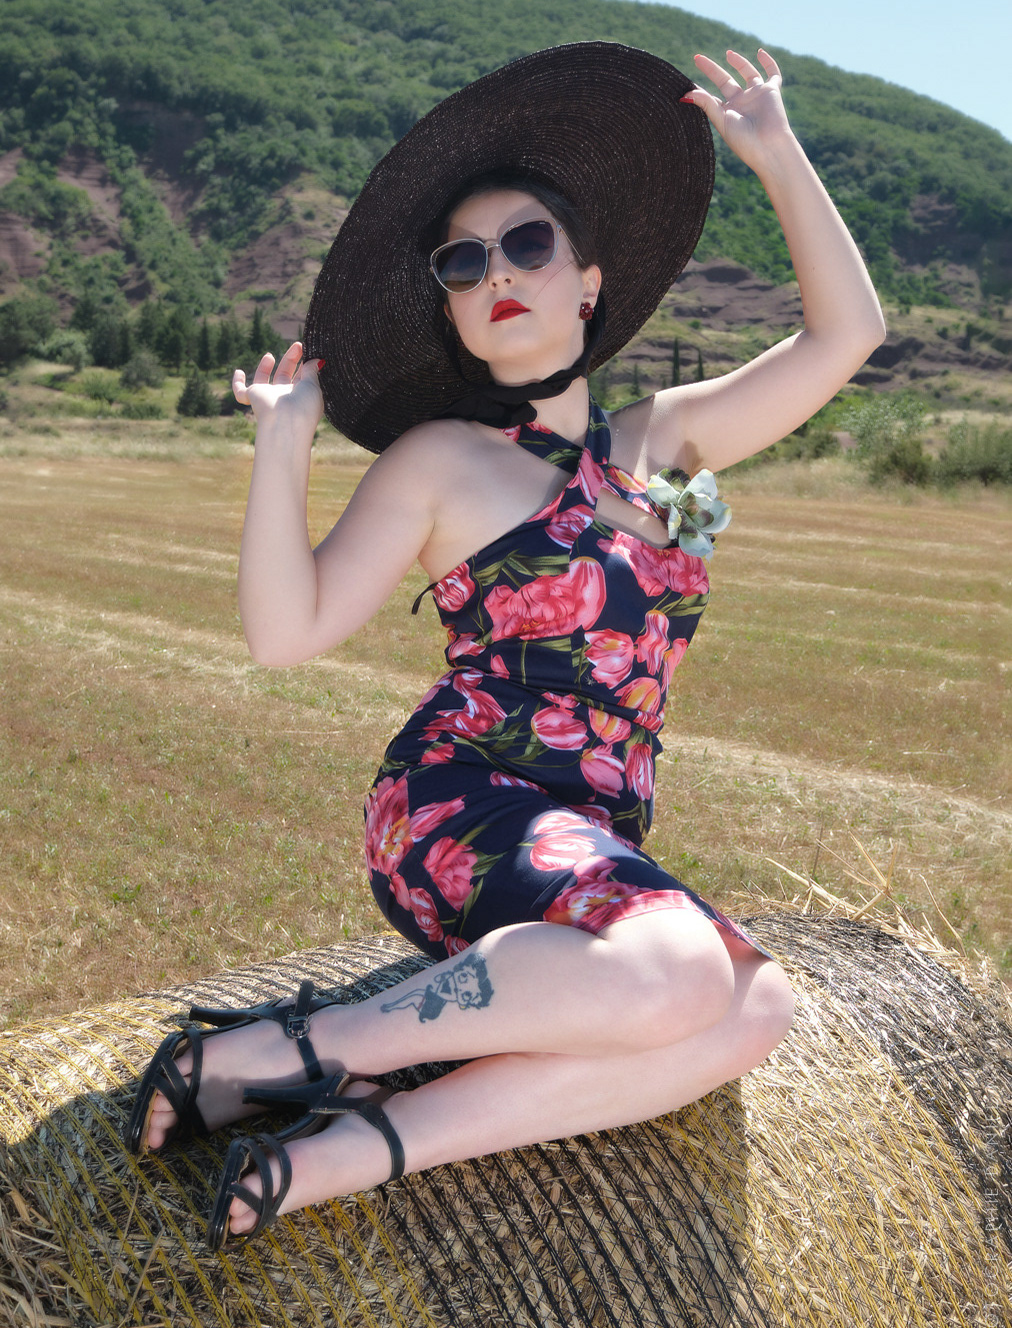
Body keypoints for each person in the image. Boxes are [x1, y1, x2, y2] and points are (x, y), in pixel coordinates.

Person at [125, 42, 884, 1251]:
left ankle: (339, 1151)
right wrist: (282, 447)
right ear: (453, 309)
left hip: (586, 835)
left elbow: (846, 335)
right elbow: (285, 632)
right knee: (685, 968)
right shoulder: (440, 461)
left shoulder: (664, 443)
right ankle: (287, 1048)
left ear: (589, 282)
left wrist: (776, 153)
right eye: (463, 263)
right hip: (459, 800)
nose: (498, 274)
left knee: (754, 1010)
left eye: (528, 244)